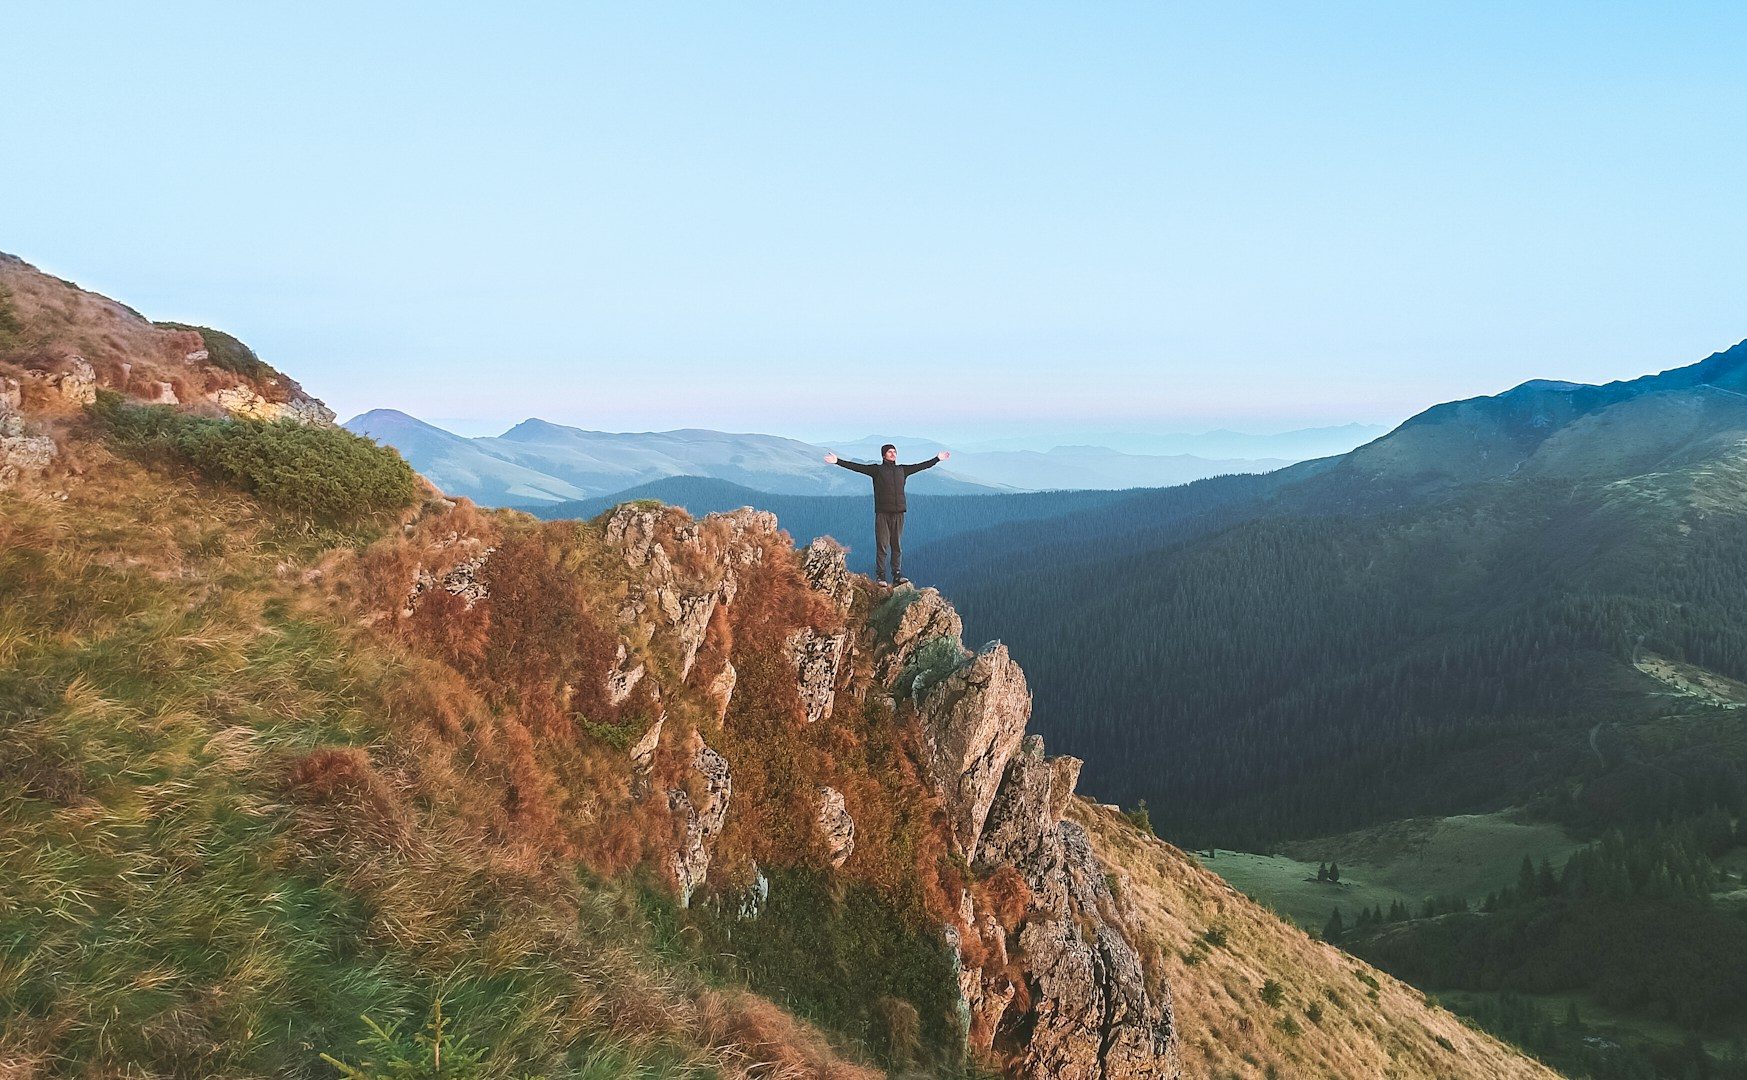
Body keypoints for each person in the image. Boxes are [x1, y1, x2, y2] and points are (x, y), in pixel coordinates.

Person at [824, 443, 949, 589]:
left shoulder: (902, 470)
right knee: (882, 545)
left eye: (895, 451)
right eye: (890, 452)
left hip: (899, 513)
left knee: (896, 545)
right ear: (883, 454)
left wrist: (937, 459)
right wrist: (837, 461)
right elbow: (856, 467)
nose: (893, 454)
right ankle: (881, 576)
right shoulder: (876, 470)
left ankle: (897, 575)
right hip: (883, 513)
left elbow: (921, 466)